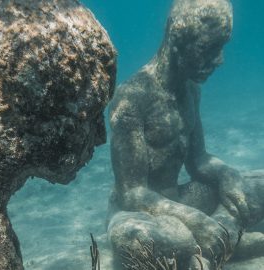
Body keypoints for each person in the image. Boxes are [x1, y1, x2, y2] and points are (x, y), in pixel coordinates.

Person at [107, 0, 264, 269]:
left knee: (255, 183)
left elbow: (198, 161)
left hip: (182, 197)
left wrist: (227, 175)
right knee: (143, 239)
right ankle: (222, 241)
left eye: (221, 48)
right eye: (208, 49)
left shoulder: (191, 90)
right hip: (142, 213)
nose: (219, 60)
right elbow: (131, 193)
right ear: (174, 35)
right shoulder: (131, 99)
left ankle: (215, 245)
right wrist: (194, 220)